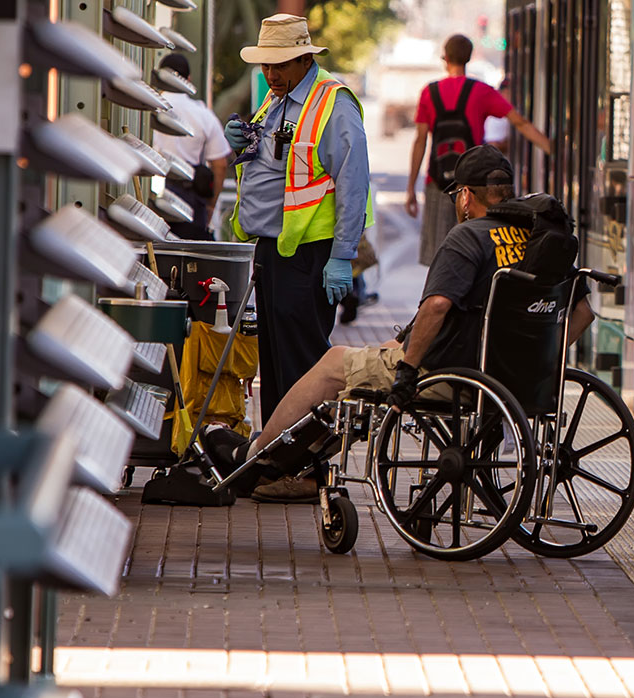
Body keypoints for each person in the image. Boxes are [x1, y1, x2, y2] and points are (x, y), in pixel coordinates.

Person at [233, 146, 594, 501]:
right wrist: (538, 361)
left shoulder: (468, 236)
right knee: (373, 362)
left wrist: (407, 370)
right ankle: (292, 468)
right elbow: (583, 313)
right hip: (510, 380)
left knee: (333, 363)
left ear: (466, 196)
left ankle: (251, 457)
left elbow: (437, 306)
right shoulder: (539, 239)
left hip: (453, 375)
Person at [224, 13, 373, 432]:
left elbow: (354, 183)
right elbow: (276, 165)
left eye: (280, 64)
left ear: (306, 59)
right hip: (274, 251)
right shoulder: (278, 99)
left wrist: (342, 256)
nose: (271, 74)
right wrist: (242, 144)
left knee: (303, 367)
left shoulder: (333, 104)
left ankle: (305, 456)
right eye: (265, 65)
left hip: (311, 256)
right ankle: (275, 451)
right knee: (275, 363)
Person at [405, 35, 553, 265]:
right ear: (468, 58)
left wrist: (411, 188)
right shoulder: (481, 91)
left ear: (446, 58)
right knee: (474, 250)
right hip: (474, 188)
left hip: (437, 183)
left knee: (439, 256)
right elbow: (519, 122)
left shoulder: (429, 93)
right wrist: (551, 149)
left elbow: (420, 141)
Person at [151, 53, 229, 240]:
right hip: (191, 196)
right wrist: (211, 205)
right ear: (189, 79)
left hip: (153, 190)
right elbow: (220, 164)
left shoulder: (150, 109)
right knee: (189, 253)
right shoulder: (203, 115)